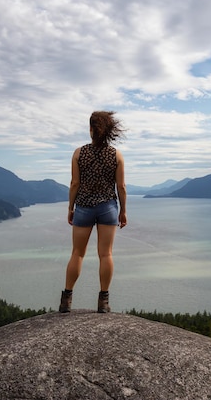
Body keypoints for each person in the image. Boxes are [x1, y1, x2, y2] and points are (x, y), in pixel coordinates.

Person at [59, 111, 127, 313]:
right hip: (108, 207)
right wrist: (123, 211)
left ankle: (66, 300)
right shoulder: (116, 155)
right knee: (105, 254)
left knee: (77, 254)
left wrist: (71, 207)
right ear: (108, 131)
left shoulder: (79, 153)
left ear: (91, 130)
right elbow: (121, 186)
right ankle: (103, 302)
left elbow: (74, 183)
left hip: (84, 207)